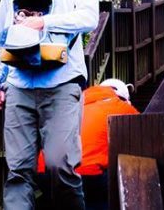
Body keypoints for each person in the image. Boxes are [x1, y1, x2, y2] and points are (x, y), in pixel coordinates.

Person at [0, 0, 100, 210]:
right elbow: (2, 40)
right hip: (19, 86)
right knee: (17, 171)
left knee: (60, 165)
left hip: (61, 84)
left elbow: (89, 18)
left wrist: (44, 22)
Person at [36, 78, 140, 210]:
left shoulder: (72, 104)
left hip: (44, 171)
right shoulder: (121, 107)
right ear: (123, 98)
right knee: (108, 189)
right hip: (85, 174)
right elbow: (145, 130)